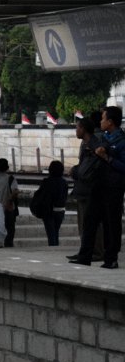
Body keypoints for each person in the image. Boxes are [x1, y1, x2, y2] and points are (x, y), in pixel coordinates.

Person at [72, 106, 125, 269]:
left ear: (110, 122)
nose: (100, 122)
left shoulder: (121, 141)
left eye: (103, 119)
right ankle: (85, 256)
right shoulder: (102, 138)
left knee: (111, 223)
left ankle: (111, 258)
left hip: (113, 187)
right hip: (97, 185)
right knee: (90, 221)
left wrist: (107, 158)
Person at [67, 115, 103, 262]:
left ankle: (96, 251)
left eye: (77, 127)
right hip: (83, 189)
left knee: (92, 223)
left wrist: (75, 171)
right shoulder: (86, 144)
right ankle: (85, 250)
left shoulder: (93, 145)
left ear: (83, 129)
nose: (76, 131)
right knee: (83, 223)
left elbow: (88, 169)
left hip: (90, 189)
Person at [34, 160, 69, 246]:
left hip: (49, 210)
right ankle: (56, 247)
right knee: (56, 231)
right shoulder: (64, 182)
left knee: (51, 233)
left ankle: (53, 248)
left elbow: (41, 195)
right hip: (60, 210)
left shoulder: (47, 181)